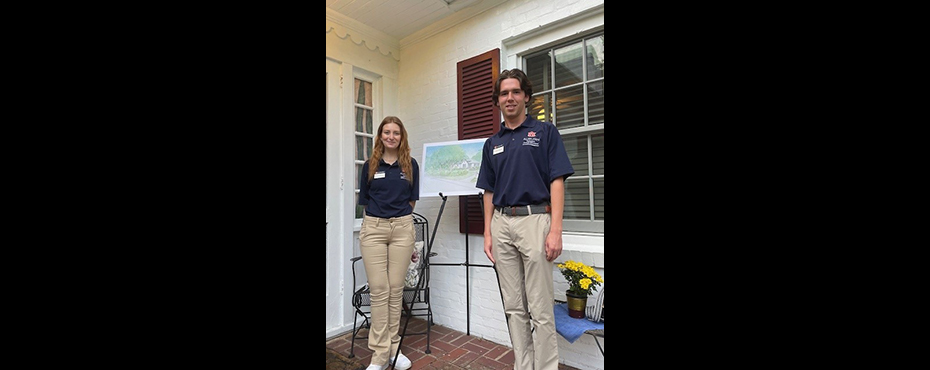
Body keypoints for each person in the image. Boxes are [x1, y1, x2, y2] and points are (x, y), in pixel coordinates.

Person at [475, 68, 574, 370]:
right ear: (498, 100)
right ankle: (524, 364)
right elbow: (488, 191)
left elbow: (557, 180)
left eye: (515, 91)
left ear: (526, 96)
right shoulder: (493, 143)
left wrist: (555, 230)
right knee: (514, 306)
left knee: (541, 307)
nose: (510, 97)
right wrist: (488, 233)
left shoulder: (544, 133)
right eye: (504, 93)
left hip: (535, 221)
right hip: (501, 224)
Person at [357, 116, 420, 370]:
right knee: (379, 290)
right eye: (386, 132)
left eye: (396, 132)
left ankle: (394, 348)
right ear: (380, 136)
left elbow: (412, 199)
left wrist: (401, 222)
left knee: (395, 290)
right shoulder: (370, 165)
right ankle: (379, 354)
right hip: (374, 229)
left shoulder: (410, 164)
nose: (391, 136)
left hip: (403, 229)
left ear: (401, 136)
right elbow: (365, 199)